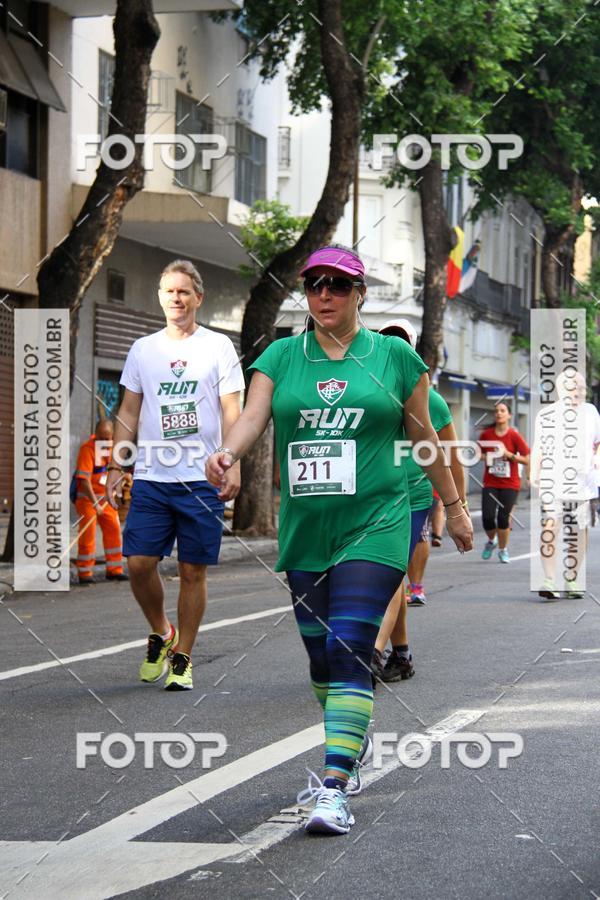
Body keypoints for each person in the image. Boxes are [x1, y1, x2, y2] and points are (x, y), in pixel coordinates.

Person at [205, 245, 473, 836]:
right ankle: (351, 740)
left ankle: (332, 785)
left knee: (352, 647)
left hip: (376, 523)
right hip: (307, 532)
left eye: (337, 285)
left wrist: (453, 506)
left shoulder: (394, 357)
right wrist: (228, 452)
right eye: (314, 284)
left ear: (360, 294)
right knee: (322, 660)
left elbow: (424, 436)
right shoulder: (281, 355)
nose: (323, 294)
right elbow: (252, 416)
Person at [106, 259, 243, 691]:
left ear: (198, 298)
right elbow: (128, 411)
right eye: (169, 291)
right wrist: (116, 464)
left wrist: (232, 459)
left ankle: (183, 655)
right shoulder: (143, 350)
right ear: (160, 297)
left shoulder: (218, 346)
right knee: (139, 563)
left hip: (201, 478)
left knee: (192, 572)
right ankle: (162, 631)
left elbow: (231, 410)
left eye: (184, 291)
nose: (176, 299)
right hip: (151, 476)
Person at [370, 319, 467, 683]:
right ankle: (402, 654)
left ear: (411, 347)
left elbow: (453, 453)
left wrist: (457, 507)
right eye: (388, 340)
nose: (397, 347)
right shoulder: (370, 390)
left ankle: (373, 653)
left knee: (391, 575)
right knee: (389, 577)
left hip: (411, 499)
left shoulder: (431, 398)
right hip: (371, 498)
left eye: (403, 341)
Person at [530, 371, 600, 598]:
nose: (580, 391)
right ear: (561, 390)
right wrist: (534, 472)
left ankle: (572, 579)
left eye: (582, 387)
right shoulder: (547, 414)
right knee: (551, 527)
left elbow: (598, 442)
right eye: (574, 387)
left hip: (583, 482)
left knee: (579, 531)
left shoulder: (591, 412)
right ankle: (549, 580)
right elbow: (538, 446)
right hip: (554, 480)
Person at [74, 419, 128, 585]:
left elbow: (117, 473)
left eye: (107, 438)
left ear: (112, 437)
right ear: (95, 435)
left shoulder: (113, 450)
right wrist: (95, 503)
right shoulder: (87, 449)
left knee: (114, 531)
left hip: (106, 499)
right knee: (88, 534)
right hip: (87, 499)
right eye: (101, 438)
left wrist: (125, 477)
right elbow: (84, 481)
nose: (104, 442)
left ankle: (114, 570)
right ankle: (85, 572)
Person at [479, 402, 529, 563]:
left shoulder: (514, 436)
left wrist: (509, 454)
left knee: (503, 518)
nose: (499, 413)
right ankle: (491, 540)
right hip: (491, 482)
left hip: (510, 483)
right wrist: (488, 457)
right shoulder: (487, 435)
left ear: (509, 415)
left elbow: (527, 459)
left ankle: (503, 549)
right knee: (487, 517)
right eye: (497, 411)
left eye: (502, 411)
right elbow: (477, 454)